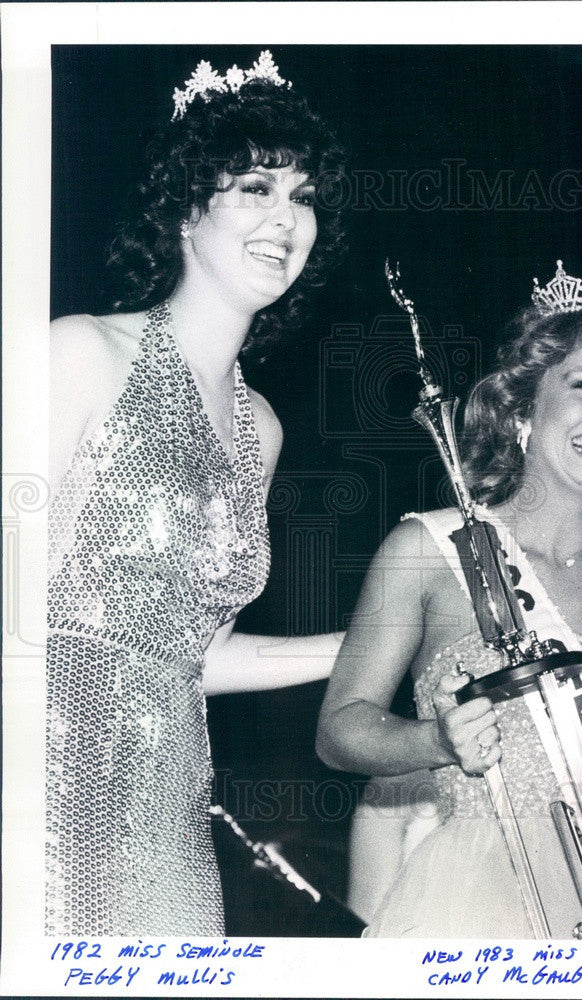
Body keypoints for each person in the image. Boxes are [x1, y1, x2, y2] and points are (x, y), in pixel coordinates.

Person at [316, 261, 582, 937]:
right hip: (464, 897)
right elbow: (339, 729)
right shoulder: (428, 549)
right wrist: (436, 741)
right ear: (521, 408)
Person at [47, 50, 346, 936]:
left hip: (172, 819)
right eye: (255, 187)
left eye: (303, 197)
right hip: (47, 787)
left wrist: (379, 640)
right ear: (184, 206)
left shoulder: (262, 425)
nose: (286, 219)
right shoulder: (82, 354)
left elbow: (193, 660)